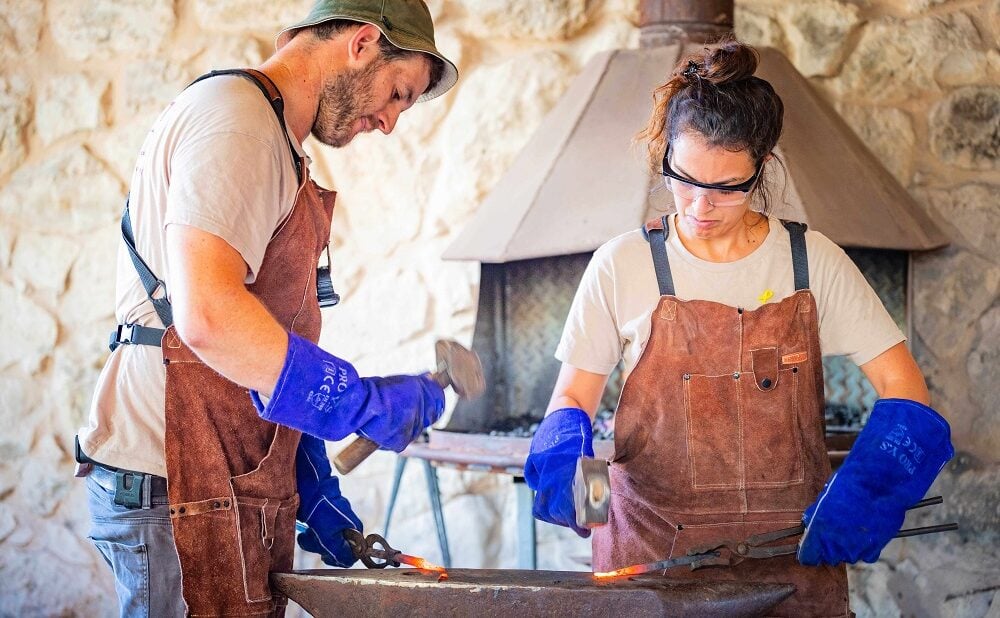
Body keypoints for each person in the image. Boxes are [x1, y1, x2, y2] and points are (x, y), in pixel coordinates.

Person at [523, 39, 954, 616]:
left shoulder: (811, 263)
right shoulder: (622, 263)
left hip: (791, 563)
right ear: (664, 155)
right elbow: (575, 394)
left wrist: (869, 489)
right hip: (650, 560)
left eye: (727, 187)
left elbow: (905, 389)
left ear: (763, 170)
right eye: (683, 178)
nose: (699, 206)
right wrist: (574, 478)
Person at [74, 1, 458, 616]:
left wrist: (305, 467)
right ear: (362, 43)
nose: (389, 122)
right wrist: (353, 401)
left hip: (220, 471)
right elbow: (208, 315)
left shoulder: (274, 137)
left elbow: (254, 336)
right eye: (397, 93)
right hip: (171, 477)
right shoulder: (239, 120)